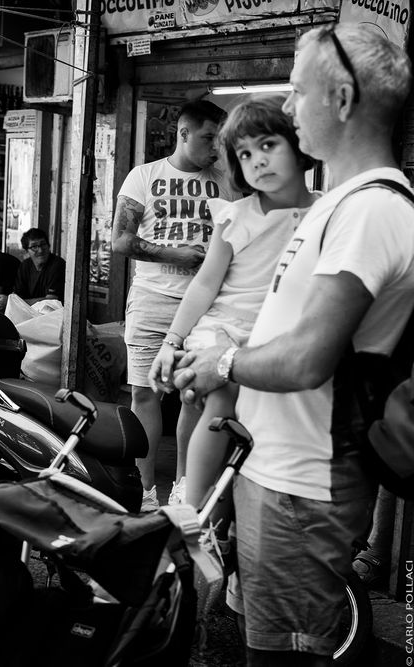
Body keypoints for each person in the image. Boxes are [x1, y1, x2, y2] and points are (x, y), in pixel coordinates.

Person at [173, 24, 414, 666]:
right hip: (272, 472)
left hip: (303, 489)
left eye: (297, 91)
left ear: (340, 100)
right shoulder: (340, 205)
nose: (287, 104)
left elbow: (308, 358)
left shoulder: (370, 210)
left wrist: (222, 359)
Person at [148, 95, 317, 508]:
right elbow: (205, 286)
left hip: (277, 335)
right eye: (243, 153)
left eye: (267, 145)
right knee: (219, 393)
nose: (256, 160)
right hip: (224, 328)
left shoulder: (324, 210)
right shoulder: (234, 216)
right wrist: (171, 340)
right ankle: (192, 503)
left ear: (299, 145)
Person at [111, 99, 234, 511]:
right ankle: (144, 492)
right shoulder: (144, 176)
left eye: (220, 138)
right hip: (151, 301)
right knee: (144, 395)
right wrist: (178, 255)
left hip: (207, 309)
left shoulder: (228, 180)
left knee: (192, 397)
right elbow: (121, 241)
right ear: (183, 134)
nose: (215, 147)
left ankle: (184, 488)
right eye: (207, 137)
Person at [13, 227, 66, 303]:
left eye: (43, 244)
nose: (40, 250)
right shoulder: (25, 266)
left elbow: (51, 301)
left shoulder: (58, 265)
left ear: (48, 245)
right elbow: (17, 297)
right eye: (34, 247)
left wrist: (20, 303)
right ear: (27, 251)